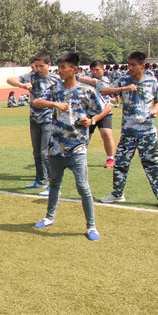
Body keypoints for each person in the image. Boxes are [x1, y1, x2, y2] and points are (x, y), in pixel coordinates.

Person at [31, 53, 110, 241]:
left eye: (63, 68)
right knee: (54, 183)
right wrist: (54, 104)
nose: (59, 71)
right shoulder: (55, 89)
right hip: (56, 147)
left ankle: (91, 225)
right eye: (58, 67)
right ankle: (49, 217)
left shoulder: (86, 90)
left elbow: (106, 107)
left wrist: (92, 120)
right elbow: (36, 102)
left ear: (74, 70)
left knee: (83, 187)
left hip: (77, 147)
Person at [99, 52, 158, 209]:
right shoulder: (124, 79)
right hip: (128, 132)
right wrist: (124, 88)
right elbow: (103, 91)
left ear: (142, 66)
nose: (130, 68)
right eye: (128, 64)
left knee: (153, 165)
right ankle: (117, 194)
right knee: (120, 164)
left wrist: (155, 109)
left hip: (147, 132)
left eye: (133, 65)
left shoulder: (151, 80)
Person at [7, 52, 60, 196]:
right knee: (37, 153)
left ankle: (53, 186)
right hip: (34, 119)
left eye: (41, 66)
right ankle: (41, 181)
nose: (38, 69)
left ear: (49, 65)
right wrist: (22, 85)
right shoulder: (31, 76)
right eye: (36, 66)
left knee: (45, 153)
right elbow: (9, 79)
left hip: (49, 119)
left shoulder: (55, 79)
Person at [78, 60, 117, 168]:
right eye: (93, 70)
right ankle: (79, 158)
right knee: (85, 136)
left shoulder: (106, 80)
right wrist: (90, 81)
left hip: (104, 112)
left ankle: (110, 158)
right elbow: (77, 78)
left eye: (97, 70)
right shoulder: (88, 79)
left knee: (106, 134)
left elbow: (104, 90)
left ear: (103, 70)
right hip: (89, 112)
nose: (95, 72)